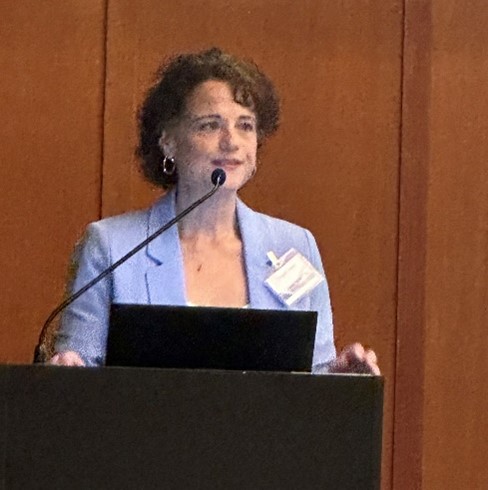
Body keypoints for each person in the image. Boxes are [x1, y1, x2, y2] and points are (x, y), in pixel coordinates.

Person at [47, 48, 379, 375]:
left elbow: (314, 376)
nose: (231, 141)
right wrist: (66, 370)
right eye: (209, 126)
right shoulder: (112, 247)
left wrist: (343, 379)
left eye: (245, 125)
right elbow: (78, 373)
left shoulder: (294, 246)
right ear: (168, 141)